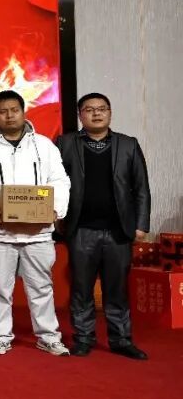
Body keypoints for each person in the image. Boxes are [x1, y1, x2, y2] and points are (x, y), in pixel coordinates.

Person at [0, 90, 70, 356]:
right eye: (3, 111)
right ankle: (0, 336)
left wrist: (56, 210)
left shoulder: (44, 145)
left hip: (38, 232)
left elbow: (60, 181)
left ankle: (48, 336)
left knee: (41, 286)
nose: (10, 116)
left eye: (14, 110)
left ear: (24, 112)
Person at [56, 93, 150, 360]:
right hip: (81, 229)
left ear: (110, 113)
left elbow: (141, 188)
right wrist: (56, 217)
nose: (96, 114)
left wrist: (141, 224)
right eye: (89, 109)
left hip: (118, 230)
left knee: (117, 289)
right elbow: (53, 181)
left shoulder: (128, 144)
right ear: (80, 115)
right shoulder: (65, 143)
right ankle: (83, 338)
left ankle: (121, 340)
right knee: (81, 289)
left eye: (102, 109)